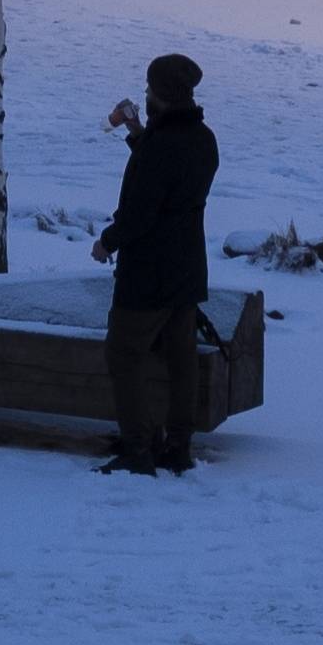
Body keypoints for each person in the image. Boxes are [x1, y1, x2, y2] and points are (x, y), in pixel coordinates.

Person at [94, 54, 222, 473]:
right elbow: (170, 176)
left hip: (148, 272)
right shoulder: (203, 139)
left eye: (149, 89)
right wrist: (136, 132)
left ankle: (138, 449)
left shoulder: (162, 146)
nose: (144, 95)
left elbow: (142, 211)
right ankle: (178, 447)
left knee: (124, 353)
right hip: (187, 269)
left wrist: (106, 242)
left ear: (161, 96)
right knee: (180, 358)